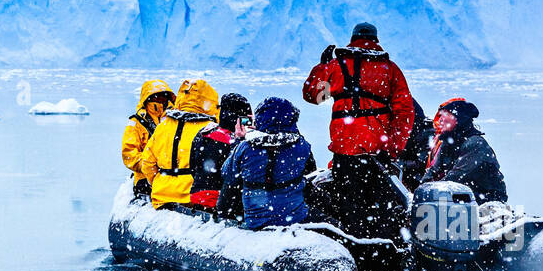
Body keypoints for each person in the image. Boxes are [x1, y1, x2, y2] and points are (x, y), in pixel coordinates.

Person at [301, 21, 416, 239]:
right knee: (381, 208)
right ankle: (383, 252)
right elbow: (404, 112)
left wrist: (321, 68)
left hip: (345, 152)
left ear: (353, 38)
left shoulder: (337, 66)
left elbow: (314, 96)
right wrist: (393, 148)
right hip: (378, 153)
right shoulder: (390, 70)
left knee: (350, 206)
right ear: (376, 39)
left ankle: (354, 245)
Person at [216, 97, 313, 229]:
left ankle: (224, 220)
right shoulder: (302, 146)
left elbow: (227, 174)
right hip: (296, 217)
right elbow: (310, 169)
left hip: (256, 221)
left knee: (233, 185)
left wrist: (239, 140)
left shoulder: (245, 147)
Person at [139, 79, 220, 210]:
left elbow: (147, 163)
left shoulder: (163, 126)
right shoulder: (209, 129)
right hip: (191, 199)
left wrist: (160, 182)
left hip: (162, 196)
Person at [422, 98, 507, 203]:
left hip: (486, 200)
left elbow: (456, 178)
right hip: (463, 197)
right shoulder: (448, 142)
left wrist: (429, 193)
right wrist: (421, 188)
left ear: (459, 119)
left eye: (445, 116)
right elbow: (433, 171)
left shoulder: (475, 144)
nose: (440, 120)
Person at [186, 93, 253, 209]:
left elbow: (192, 166)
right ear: (237, 118)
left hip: (197, 195)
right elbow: (236, 176)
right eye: (245, 118)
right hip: (220, 200)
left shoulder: (203, 132)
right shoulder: (234, 142)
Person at [122, 80, 176, 196]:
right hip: (145, 177)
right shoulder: (136, 123)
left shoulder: (175, 119)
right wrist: (149, 166)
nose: (161, 99)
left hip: (172, 175)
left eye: (164, 96)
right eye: (157, 96)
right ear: (147, 98)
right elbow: (129, 154)